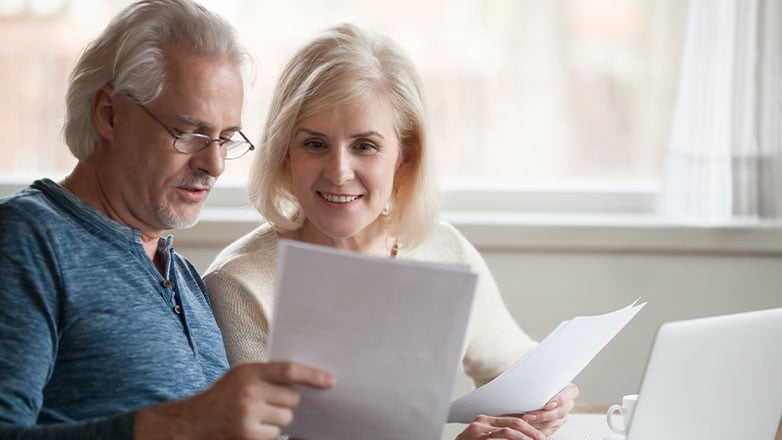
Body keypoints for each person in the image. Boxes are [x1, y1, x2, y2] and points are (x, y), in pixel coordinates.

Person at [204, 23, 579, 439]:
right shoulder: (240, 286)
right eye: (314, 144)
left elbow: (514, 366)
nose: (339, 171)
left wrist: (549, 400)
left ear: (404, 159)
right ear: (284, 153)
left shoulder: (443, 249)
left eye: (365, 146)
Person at [0, 1, 335, 439]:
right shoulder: (27, 241)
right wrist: (181, 424)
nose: (214, 164)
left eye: (226, 139)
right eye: (191, 134)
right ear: (109, 113)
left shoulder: (185, 278)